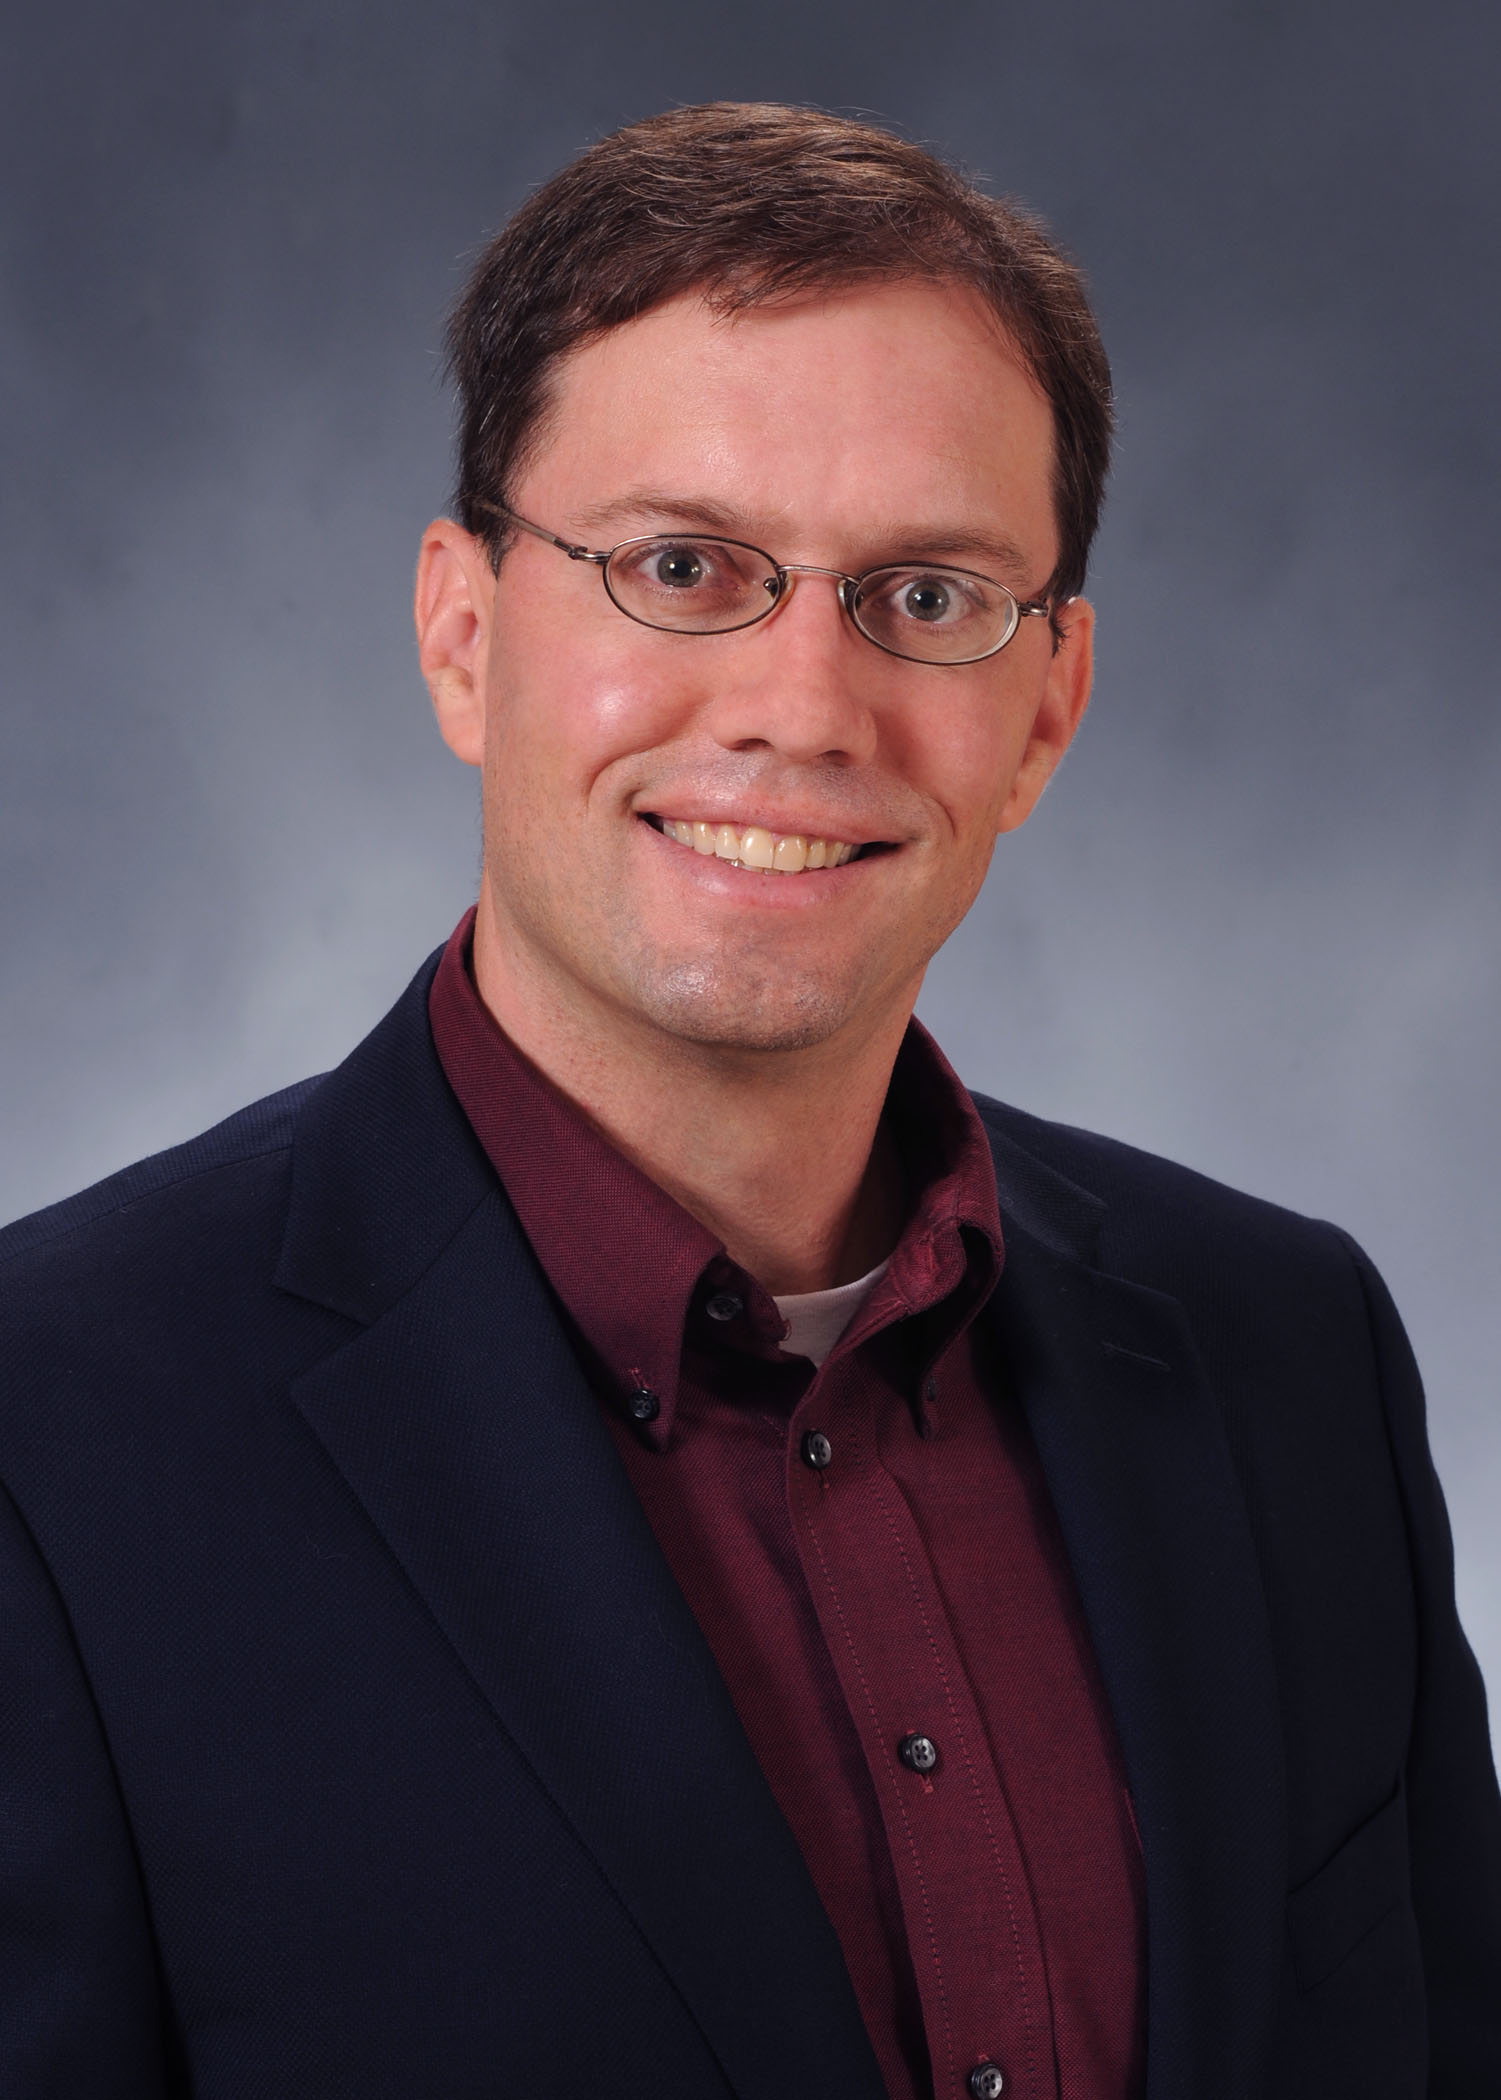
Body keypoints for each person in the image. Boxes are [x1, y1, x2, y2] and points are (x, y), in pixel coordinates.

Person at [0, 100, 1496, 2100]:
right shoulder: (50, 1439)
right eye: (682, 566)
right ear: (462, 633)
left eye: (928, 596)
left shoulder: (1289, 1353)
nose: (802, 708)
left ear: (1045, 706)